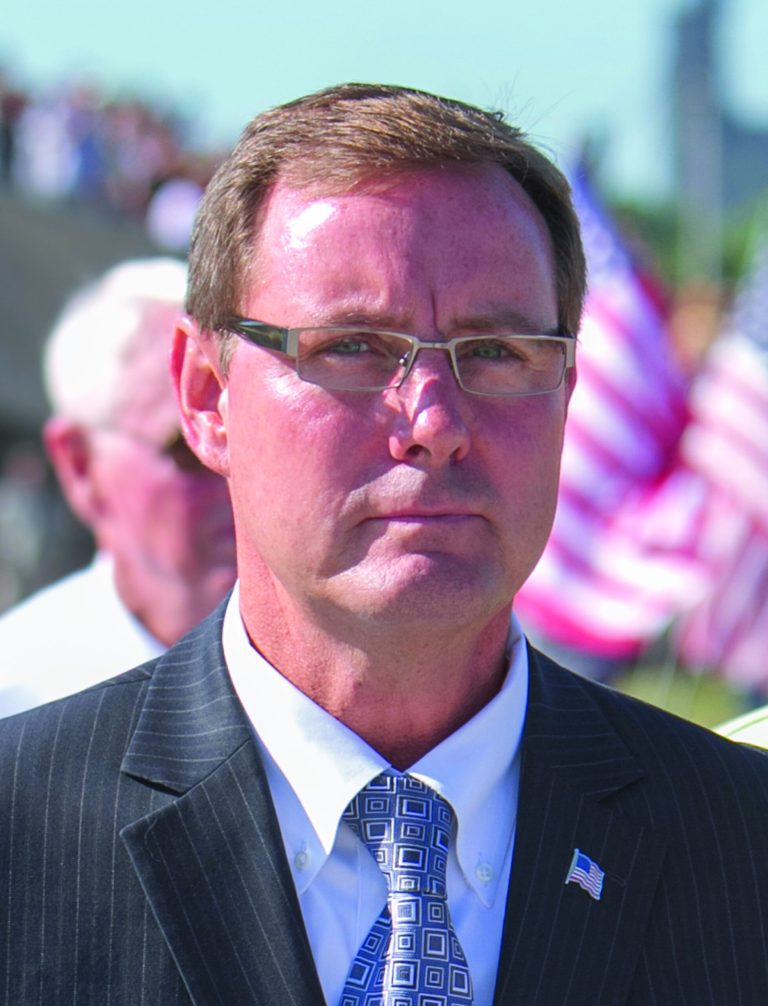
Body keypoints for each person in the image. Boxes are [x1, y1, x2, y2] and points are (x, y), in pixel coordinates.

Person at [1, 84, 767, 1005]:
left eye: (496, 352)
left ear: (568, 391)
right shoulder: (21, 838)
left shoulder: (741, 845)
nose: (435, 423)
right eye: (354, 347)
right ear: (206, 397)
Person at [0, 258, 236, 716]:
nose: (234, 476)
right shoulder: (17, 702)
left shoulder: (365, 676)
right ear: (81, 465)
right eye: (187, 449)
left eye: (255, 442)